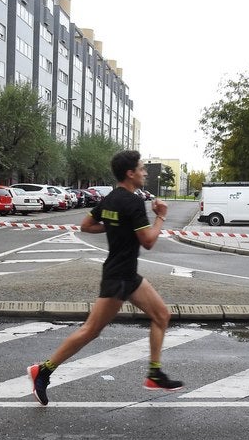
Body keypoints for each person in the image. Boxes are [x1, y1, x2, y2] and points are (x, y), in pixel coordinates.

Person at [27, 150, 183, 405]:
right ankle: (43, 370)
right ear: (130, 173)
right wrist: (161, 216)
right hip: (118, 277)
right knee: (91, 330)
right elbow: (149, 242)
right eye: (142, 169)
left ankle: (155, 373)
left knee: (162, 315)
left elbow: (86, 225)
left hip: (128, 275)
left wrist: (115, 226)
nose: (145, 173)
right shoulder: (132, 202)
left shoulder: (109, 199)